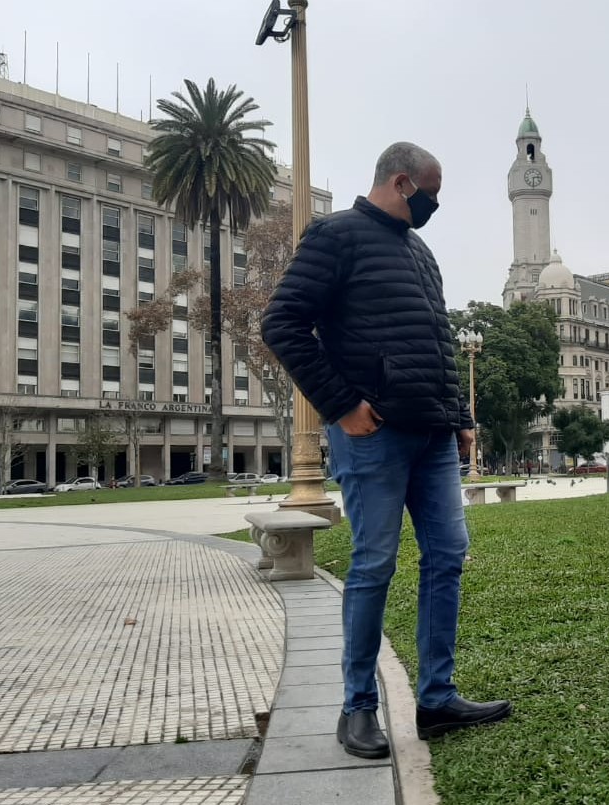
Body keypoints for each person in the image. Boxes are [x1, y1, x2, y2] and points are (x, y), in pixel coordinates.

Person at [262, 142, 511, 760]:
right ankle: (357, 709)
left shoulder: (420, 253)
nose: (434, 204)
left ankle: (436, 698)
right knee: (374, 564)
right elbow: (283, 322)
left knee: (448, 556)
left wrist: (461, 418)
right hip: (373, 434)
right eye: (431, 192)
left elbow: (437, 341)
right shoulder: (335, 236)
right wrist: (341, 404)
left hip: (432, 436)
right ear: (402, 183)